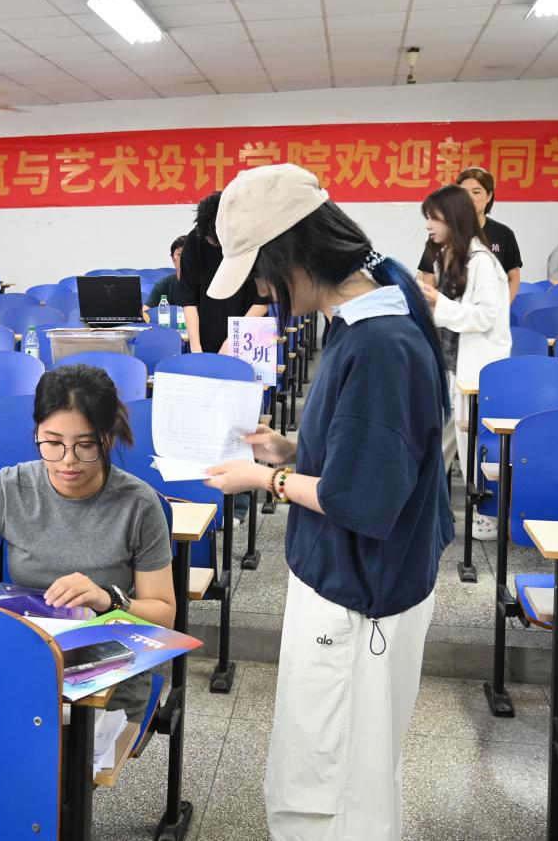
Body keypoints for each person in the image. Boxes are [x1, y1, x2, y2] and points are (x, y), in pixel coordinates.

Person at [199, 164, 451, 840]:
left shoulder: (379, 342)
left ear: (296, 257)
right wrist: (289, 448)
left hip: (359, 594)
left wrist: (264, 481)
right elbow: (366, 447)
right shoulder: (365, 314)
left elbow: (360, 498)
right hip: (354, 581)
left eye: (262, 274)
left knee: (333, 786)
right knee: (336, 766)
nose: (261, 290)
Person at [0, 364, 176, 721]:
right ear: (37, 433)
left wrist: (106, 599)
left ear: (108, 438)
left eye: (86, 445)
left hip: (106, 675)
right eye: (53, 443)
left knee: (54, 743)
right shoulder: (11, 487)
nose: (68, 461)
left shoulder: (138, 504)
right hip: (23, 661)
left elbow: (163, 615)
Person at [419, 185, 511, 541]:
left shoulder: (482, 262)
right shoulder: (449, 256)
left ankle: (488, 515)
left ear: (453, 219)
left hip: (472, 371)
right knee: (436, 443)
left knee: (472, 447)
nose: (428, 225)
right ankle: (421, 509)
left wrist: (438, 303)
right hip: (449, 366)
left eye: (433, 218)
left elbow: (486, 316)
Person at [181, 192, 270, 354]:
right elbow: (189, 299)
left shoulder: (256, 242)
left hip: (250, 331)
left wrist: (234, 339)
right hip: (207, 334)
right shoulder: (195, 240)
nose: (217, 245)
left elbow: (263, 300)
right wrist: (196, 347)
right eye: (211, 241)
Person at [417, 167, 522, 300]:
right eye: (464, 193)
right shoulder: (444, 234)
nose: (470, 198)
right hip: (448, 307)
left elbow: (513, 276)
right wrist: (434, 306)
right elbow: (428, 274)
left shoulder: (503, 234)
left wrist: (505, 305)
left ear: (489, 196)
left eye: (476, 192)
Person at [144, 235, 186, 310]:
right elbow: (146, 311)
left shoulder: (204, 284)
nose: (183, 258)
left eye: (188, 254)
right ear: (173, 258)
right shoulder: (163, 284)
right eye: (179, 254)